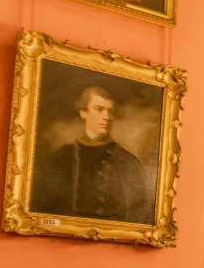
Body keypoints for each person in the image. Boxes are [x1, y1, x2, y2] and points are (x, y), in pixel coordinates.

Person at [31, 85, 149, 223]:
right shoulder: (60, 158)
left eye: (110, 111)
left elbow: (139, 212)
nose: (106, 117)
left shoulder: (129, 162)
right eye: (99, 109)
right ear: (83, 112)